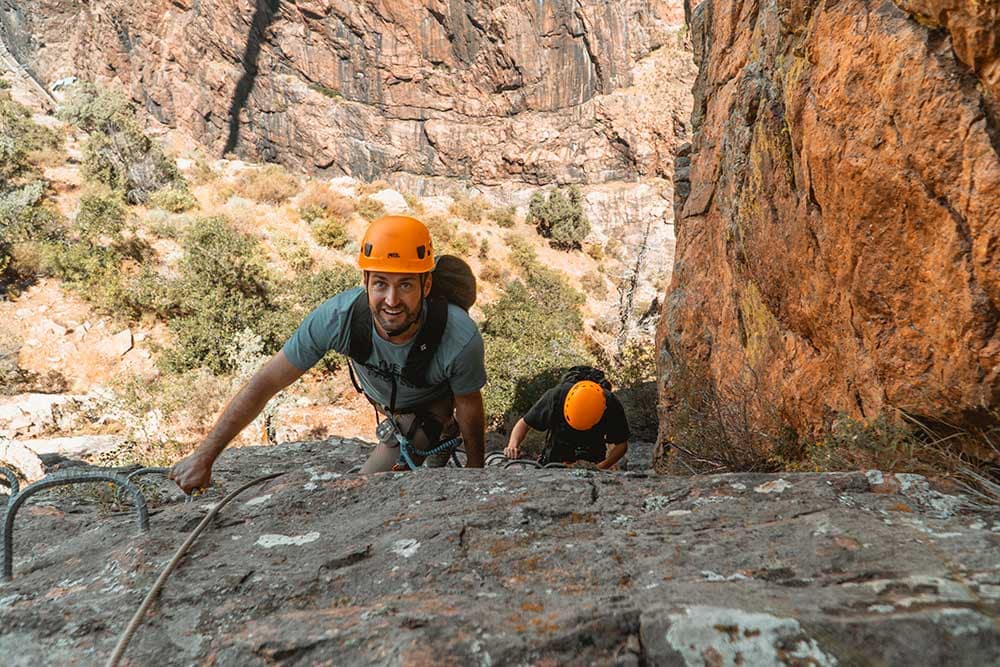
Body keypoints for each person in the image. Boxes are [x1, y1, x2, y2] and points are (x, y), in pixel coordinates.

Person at [169, 215, 487, 493]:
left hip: (429, 405)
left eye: (405, 285)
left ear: (426, 285)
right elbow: (266, 382)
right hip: (393, 405)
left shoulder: (458, 337)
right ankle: (437, 441)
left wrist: (476, 476)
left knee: (368, 486)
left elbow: (469, 406)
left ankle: (439, 432)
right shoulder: (338, 319)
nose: (391, 300)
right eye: (380, 284)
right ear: (364, 282)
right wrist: (204, 457)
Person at [503, 367, 629, 470]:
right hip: (554, 459)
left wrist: (602, 466)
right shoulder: (556, 396)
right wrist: (512, 445)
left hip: (593, 459)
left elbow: (621, 443)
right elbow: (524, 423)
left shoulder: (610, 403)